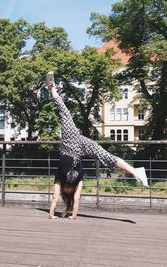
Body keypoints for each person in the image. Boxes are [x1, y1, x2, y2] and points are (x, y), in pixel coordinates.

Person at [46, 71, 148, 220]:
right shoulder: (77, 182)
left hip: (70, 141)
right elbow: (76, 199)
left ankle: (52, 89)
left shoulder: (59, 180)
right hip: (79, 150)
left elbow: (55, 198)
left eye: (66, 189)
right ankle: (136, 171)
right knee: (103, 155)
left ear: (65, 190)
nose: (67, 189)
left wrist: (51, 214)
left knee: (65, 113)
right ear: (69, 191)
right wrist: (69, 216)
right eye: (68, 189)